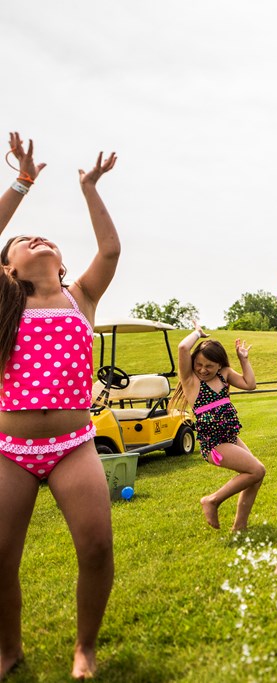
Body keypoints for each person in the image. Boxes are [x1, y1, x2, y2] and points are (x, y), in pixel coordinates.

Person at [0, 133, 118, 679]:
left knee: (95, 547)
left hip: (73, 446)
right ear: (9, 266)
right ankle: (8, 650)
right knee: (1, 559)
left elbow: (111, 251)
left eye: (43, 236)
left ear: (63, 262)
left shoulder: (81, 298)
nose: (34, 238)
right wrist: (22, 184)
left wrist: (89, 188)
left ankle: (85, 647)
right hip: (8, 450)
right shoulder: (5, 301)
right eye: (22, 240)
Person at [171, 321, 265, 532]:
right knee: (256, 470)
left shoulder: (225, 375)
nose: (203, 370)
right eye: (199, 364)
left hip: (230, 438)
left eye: (209, 366)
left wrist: (243, 360)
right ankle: (212, 501)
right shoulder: (191, 381)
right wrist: (198, 333)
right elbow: (183, 348)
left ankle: (239, 527)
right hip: (213, 445)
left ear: (219, 365)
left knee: (256, 477)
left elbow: (250, 385)